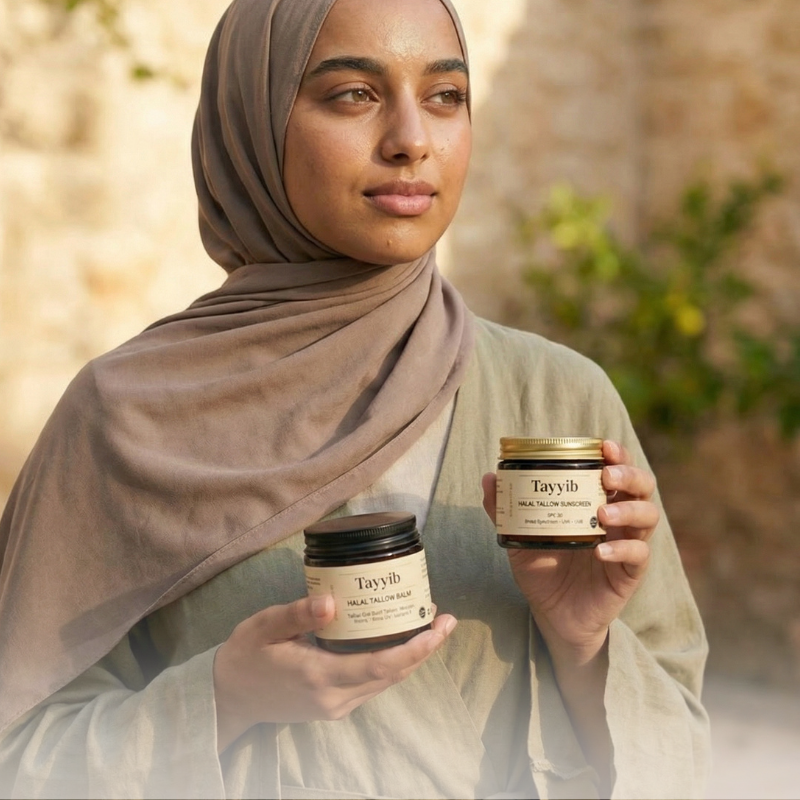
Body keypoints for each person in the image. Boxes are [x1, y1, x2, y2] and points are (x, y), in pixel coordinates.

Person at [0, 0, 710, 797]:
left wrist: (584, 642)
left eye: (446, 97)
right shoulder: (124, 418)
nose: (412, 140)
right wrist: (221, 702)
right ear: (255, 126)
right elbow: (19, 756)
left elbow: (680, 754)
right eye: (353, 95)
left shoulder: (554, 398)